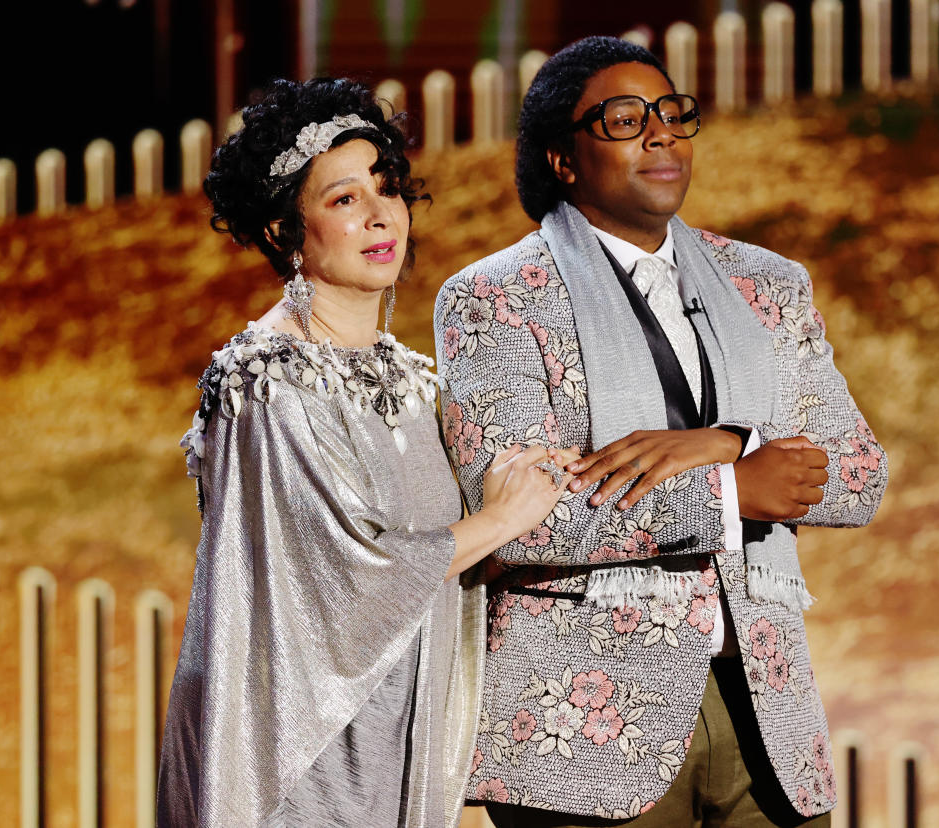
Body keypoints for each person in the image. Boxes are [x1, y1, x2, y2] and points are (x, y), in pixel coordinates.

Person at [434, 37, 887, 827]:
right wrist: (733, 488)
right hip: (581, 732)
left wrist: (725, 442)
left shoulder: (767, 285)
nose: (662, 134)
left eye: (674, 114)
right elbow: (521, 521)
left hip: (762, 715)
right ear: (563, 158)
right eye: (624, 118)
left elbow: (858, 475)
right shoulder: (494, 299)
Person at [158, 77, 572, 828]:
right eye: (344, 199)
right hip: (298, 757)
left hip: (394, 735)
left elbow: (439, 550)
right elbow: (348, 569)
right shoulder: (266, 382)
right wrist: (504, 517)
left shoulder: (412, 380)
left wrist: (517, 482)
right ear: (287, 231)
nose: (381, 215)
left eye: (388, 188)